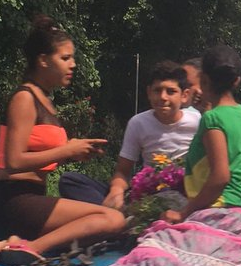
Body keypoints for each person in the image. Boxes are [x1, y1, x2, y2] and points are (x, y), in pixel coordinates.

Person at [100, 45, 241, 266]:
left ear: (203, 80)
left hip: (220, 213)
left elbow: (220, 177)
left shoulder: (212, 119)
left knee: (150, 245)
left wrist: (183, 213)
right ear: (237, 81)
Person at [0, 16, 126, 266]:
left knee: (110, 221)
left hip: (32, 199)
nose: (73, 65)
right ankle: (28, 247)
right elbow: (14, 161)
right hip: (13, 202)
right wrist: (66, 150)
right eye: (65, 58)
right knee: (113, 220)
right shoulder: (24, 98)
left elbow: (40, 156)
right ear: (43, 60)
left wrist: (73, 152)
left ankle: (15, 242)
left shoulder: (45, 100)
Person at [59, 61, 201, 207]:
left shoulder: (197, 122)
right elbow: (123, 171)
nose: (163, 97)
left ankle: (112, 215)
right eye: (157, 91)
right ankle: (114, 212)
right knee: (70, 180)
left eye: (171, 91)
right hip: (149, 195)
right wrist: (116, 191)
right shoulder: (138, 123)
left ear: (184, 95)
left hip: (186, 194)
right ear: (149, 93)